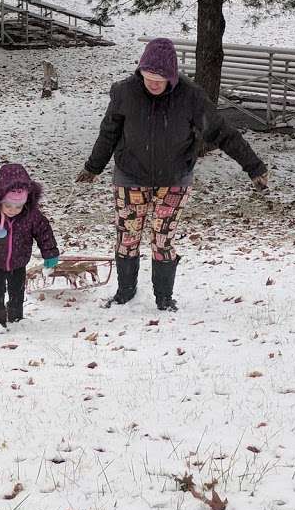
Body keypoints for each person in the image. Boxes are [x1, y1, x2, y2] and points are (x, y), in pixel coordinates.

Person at [76, 37, 268, 312]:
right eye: (148, 76)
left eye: (160, 78)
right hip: (131, 175)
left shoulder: (191, 97)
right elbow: (109, 132)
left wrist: (254, 166)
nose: (153, 83)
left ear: (172, 77)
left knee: (163, 238)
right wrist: (93, 167)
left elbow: (221, 132)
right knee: (127, 235)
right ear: (140, 71)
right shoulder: (124, 93)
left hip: (175, 179)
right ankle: (125, 292)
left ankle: (164, 297)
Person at [0, 163, 59, 328]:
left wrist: (50, 254)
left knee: (17, 289)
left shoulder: (31, 216)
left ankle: (15, 317)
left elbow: (44, 233)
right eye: (8, 205)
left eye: (18, 206)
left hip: (19, 261)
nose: (13, 210)